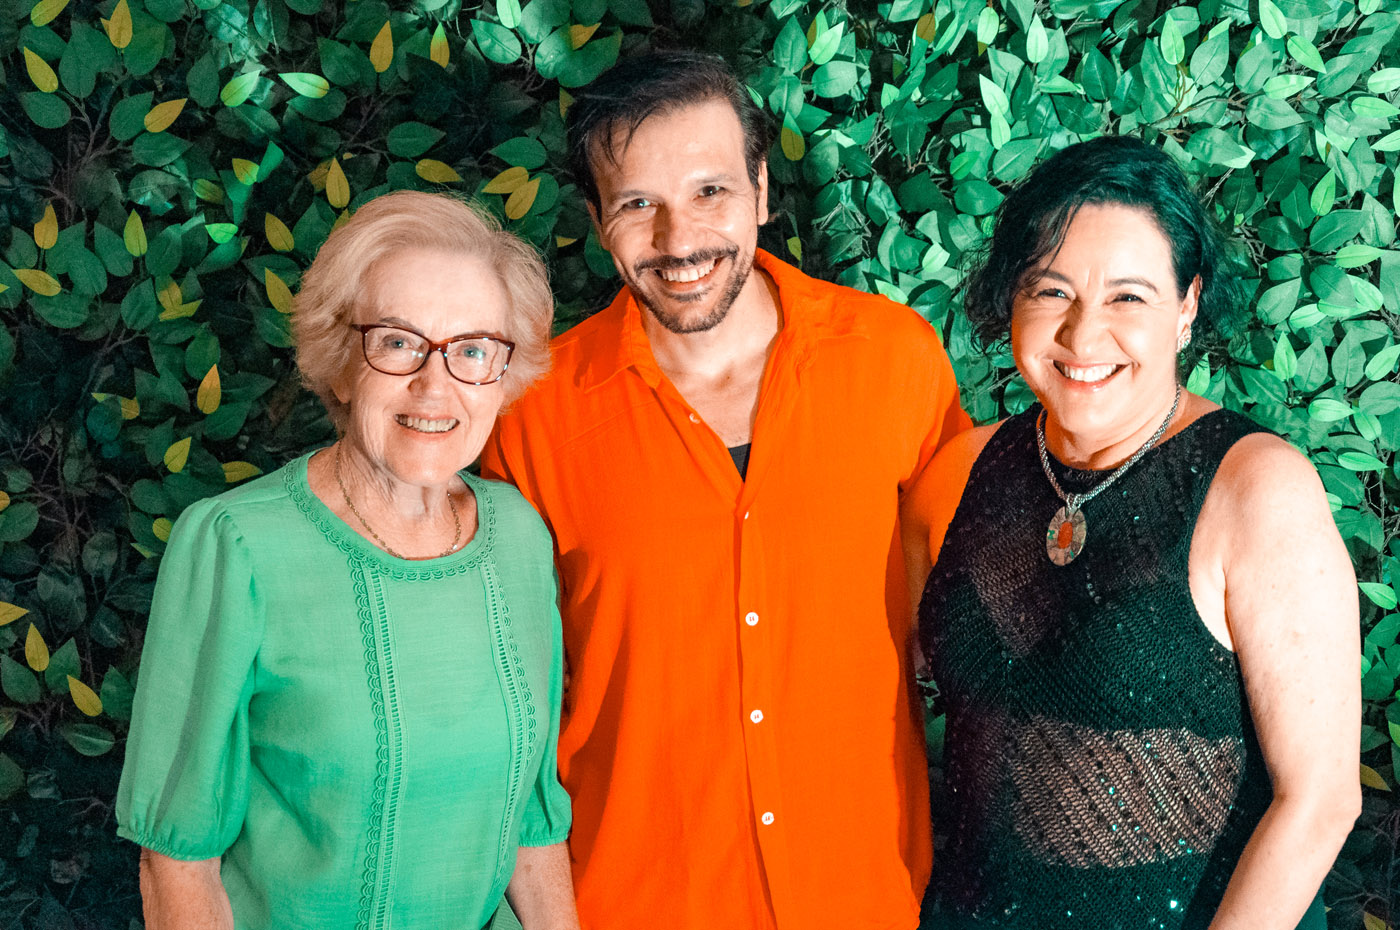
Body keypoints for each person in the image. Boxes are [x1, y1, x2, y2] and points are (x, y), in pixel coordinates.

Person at [480, 51, 970, 930]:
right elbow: (506, 705)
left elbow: (968, 603)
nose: (679, 241)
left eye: (710, 191)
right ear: (597, 222)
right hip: (635, 905)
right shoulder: (532, 415)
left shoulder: (895, 360)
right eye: (638, 204)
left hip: (862, 895)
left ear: (762, 190)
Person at [903, 136, 1360, 929]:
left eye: (1128, 298)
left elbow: (1320, 802)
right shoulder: (957, 474)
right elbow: (879, 690)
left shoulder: (1256, 489)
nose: (1083, 337)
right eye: (1051, 290)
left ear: (1186, 307)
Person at [116, 191, 577, 930]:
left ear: (502, 376)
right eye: (397, 342)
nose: (435, 386)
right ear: (339, 362)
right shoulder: (235, 545)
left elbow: (531, 825)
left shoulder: (520, 538)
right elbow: (178, 860)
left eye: (472, 350)